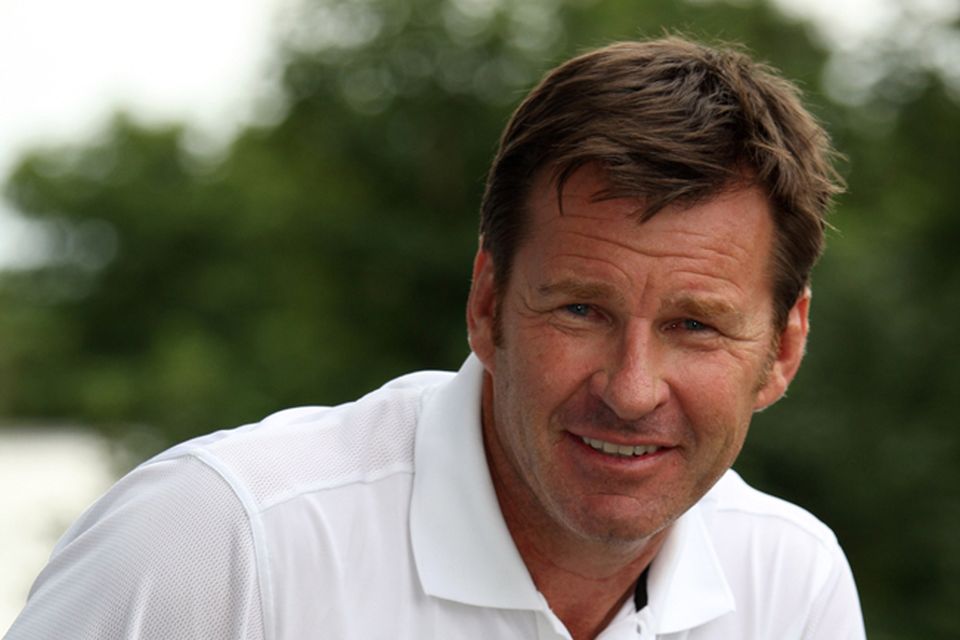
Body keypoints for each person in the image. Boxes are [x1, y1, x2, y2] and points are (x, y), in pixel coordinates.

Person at [7, 36, 866, 639]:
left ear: (783, 349)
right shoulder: (216, 541)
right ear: (486, 304)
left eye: (694, 325)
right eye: (580, 310)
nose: (632, 388)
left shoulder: (791, 584)